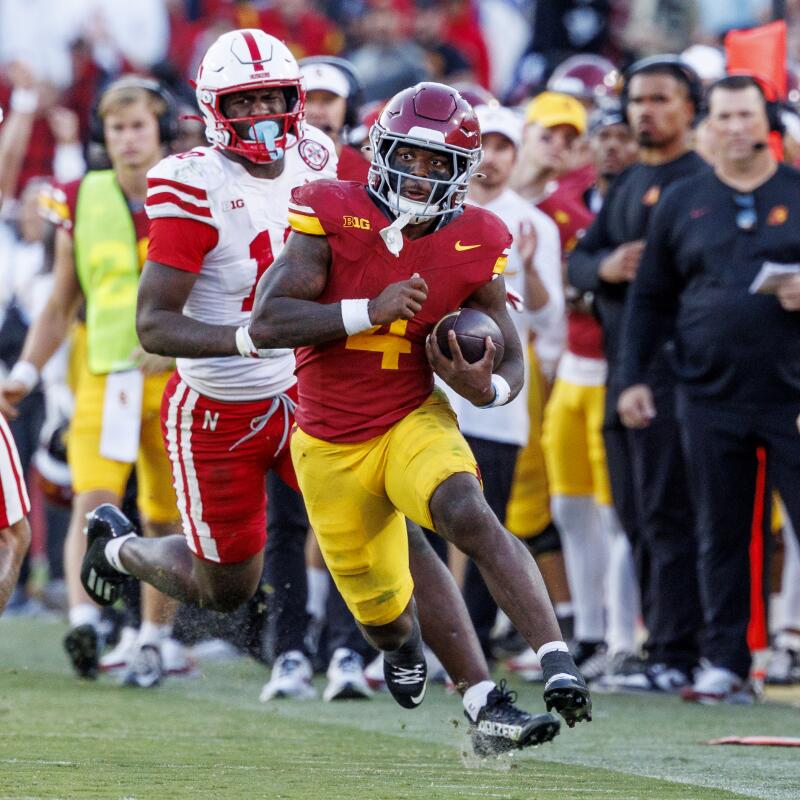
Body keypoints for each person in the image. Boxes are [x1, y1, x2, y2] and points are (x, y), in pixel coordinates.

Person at [80, 36, 563, 755]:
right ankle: (118, 551)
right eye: (243, 101)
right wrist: (256, 338)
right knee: (226, 588)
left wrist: (470, 285)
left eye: (273, 96)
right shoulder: (188, 180)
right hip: (219, 405)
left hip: (310, 392)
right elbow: (155, 323)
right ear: (214, 108)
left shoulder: (321, 156)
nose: (262, 113)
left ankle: (481, 697)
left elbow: (400, 216)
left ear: (294, 99)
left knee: (405, 525)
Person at [248, 81, 592, 731]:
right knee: (383, 613)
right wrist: (365, 313)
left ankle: (550, 666)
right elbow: (268, 320)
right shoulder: (330, 211)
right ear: (382, 152)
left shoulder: (480, 234)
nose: (419, 174)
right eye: (408, 156)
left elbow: (511, 356)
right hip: (328, 443)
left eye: (438, 164)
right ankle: (401, 642)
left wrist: (484, 389)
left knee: (466, 511)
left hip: (412, 415)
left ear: (462, 172)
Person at [617, 75, 800, 703]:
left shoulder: (798, 193)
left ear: (768, 120)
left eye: (745, 115)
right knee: (717, 530)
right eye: (723, 117)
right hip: (707, 391)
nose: (734, 128)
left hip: (791, 395)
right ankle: (724, 661)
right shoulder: (684, 199)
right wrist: (632, 379)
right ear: (708, 124)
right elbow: (650, 300)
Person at [0, 76, 184, 686]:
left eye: (138, 125)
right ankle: (84, 621)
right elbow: (60, 300)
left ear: (159, 128)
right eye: (116, 127)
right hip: (105, 374)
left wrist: (186, 345)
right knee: (93, 503)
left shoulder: (193, 186)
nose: (128, 138)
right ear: (104, 135)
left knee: (163, 515)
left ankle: (155, 638)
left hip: (177, 375)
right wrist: (25, 371)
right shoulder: (80, 196)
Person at [568, 56, 708, 693]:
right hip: (620, 368)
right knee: (635, 513)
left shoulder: (698, 182)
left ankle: (680, 649)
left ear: (689, 110)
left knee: (668, 513)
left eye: (660, 100)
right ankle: (662, 646)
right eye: (638, 101)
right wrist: (607, 268)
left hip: (674, 371)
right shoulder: (627, 183)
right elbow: (581, 260)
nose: (645, 112)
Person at [443, 102, 565, 664]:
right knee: (431, 517)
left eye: (502, 146)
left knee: (483, 521)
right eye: (482, 145)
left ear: (517, 156)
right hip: (438, 391)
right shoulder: (440, 209)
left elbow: (548, 319)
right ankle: (431, 637)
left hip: (500, 398)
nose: (490, 157)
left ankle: (476, 641)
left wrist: (534, 272)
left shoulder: (532, 223)